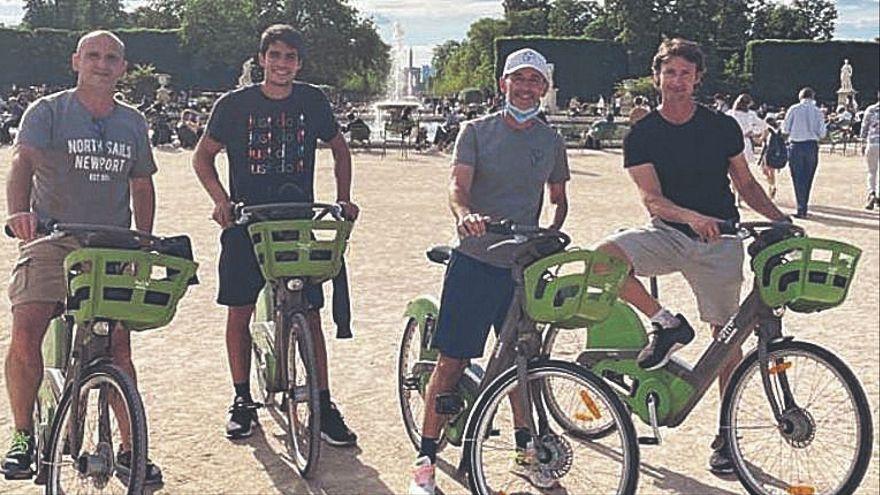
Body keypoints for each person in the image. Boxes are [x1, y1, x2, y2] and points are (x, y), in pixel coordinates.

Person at [593, 38, 788, 476]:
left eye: (685, 73)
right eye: (670, 73)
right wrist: (692, 217)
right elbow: (652, 200)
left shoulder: (721, 127)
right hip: (669, 232)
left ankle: (724, 436)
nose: (677, 81)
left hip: (720, 241)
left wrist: (781, 221)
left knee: (727, 341)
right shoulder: (642, 135)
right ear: (657, 76)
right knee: (603, 258)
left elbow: (748, 186)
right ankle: (665, 321)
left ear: (697, 78)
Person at [2, 30, 163, 484]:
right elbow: (23, 163)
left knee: (118, 347)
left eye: (112, 57)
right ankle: (22, 434)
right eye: (93, 55)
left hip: (110, 244)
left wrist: (143, 240)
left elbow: (142, 185)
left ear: (123, 68)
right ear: (76, 61)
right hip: (53, 238)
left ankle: (133, 448)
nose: (102, 63)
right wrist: (19, 213)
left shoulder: (133, 122)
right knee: (27, 326)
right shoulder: (48, 111)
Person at [408, 47, 570, 495]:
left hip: (523, 264)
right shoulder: (475, 131)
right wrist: (464, 214)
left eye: (534, 81)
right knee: (453, 360)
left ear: (544, 88)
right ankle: (425, 457)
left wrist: (552, 231)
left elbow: (558, 198)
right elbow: (458, 185)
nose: (525, 87)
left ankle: (525, 453)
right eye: (517, 79)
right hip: (478, 259)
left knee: (522, 364)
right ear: (504, 84)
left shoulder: (550, 140)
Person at [192, 24, 360, 446]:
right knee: (239, 310)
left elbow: (340, 147)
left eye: (290, 57)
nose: (282, 64)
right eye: (275, 55)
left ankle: (322, 400)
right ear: (261, 59)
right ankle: (241, 398)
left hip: (296, 219)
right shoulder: (233, 105)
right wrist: (221, 200)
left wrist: (343, 199)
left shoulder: (312, 100)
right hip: (247, 219)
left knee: (311, 314)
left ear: (299, 63)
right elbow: (202, 157)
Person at [783, 87, 827, 218]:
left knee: (797, 178)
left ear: (800, 96)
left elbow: (785, 129)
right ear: (813, 97)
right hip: (811, 146)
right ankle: (804, 206)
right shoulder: (818, 111)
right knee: (808, 178)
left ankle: (800, 207)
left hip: (796, 145)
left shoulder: (794, 109)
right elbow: (822, 133)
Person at [726, 94, 767, 167]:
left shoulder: (729, 113)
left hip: (732, 141)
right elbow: (764, 126)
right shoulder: (750, 114)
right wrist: (757, 135)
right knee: (744, 166)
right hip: (744, 141)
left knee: (732, 166)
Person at [860, 90, 880, 209]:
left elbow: (864, 127)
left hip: (872, 142)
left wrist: (862, 142)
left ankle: (871, 193)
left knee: (871, 172)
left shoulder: (870, 110)